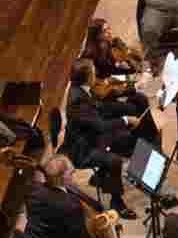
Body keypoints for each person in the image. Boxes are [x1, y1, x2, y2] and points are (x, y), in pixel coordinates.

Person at [61, 60, 155, 219]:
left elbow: (99, 108)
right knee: (114, 160)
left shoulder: (82, 90)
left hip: (90, 136)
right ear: (86, 77)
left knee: (124, 137)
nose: (95, 74)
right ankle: (117, 203)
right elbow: (100, 126)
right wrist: (125, 119)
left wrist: (123, 111)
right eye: (92, 72)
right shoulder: (77, 99)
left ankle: (104, 177)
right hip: (83, 149)